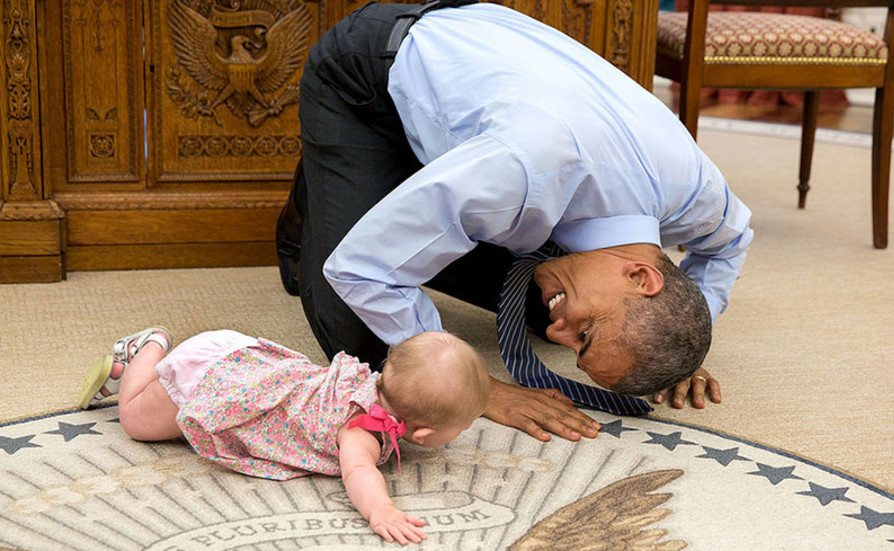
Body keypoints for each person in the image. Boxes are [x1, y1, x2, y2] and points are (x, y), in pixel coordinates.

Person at [276, 1, 753, 443]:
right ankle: (329, 185)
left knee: (531, 301)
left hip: (487, 118)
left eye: (576, 347)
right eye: (583, 336)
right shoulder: (524, 170)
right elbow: (362, 268)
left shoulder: (696, 193)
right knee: (369, 345)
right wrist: (476, 387)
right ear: (641, 276)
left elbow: (731, 244)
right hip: (368, 74)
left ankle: (383, 189)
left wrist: (679, 344)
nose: (555, 337)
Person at [78, 326, 490, 545]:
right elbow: (358, 473)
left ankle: (154, 361)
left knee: (144, 415)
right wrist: (381, 509)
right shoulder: (362, 428)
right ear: (424, 432)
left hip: (244, 358)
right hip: (212, 382)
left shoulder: (371, 381)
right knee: (134, 420)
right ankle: (146, 349)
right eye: (464, 425)